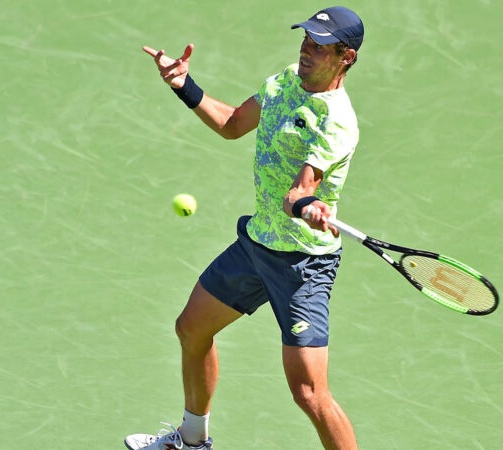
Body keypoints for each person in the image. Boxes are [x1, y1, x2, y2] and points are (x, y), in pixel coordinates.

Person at [124, 6, 364, 450]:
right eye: (305, 41)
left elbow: (299, 192)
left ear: (345, 57)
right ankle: (192, 440)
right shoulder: (286, 80)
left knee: (310, 394)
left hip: (301, 268)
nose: (306, 51)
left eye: (319, 47)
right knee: (192, 329)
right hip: (256, 246)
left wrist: (309, 206)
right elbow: (233, 124)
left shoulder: (337, 121)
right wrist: (184, 86)